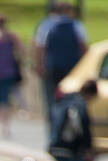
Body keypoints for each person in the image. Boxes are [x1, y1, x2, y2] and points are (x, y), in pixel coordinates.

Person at [34, 1, 87, 131]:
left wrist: (39, 65)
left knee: (51, 100)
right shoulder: (76, 25)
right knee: (71, 99)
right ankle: (68, 126)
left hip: (52, 67)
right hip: (72, 68)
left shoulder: (46, 24)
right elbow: (84, 47)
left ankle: (54, 128)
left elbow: (39, 47)